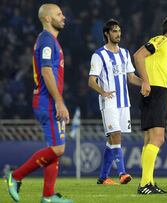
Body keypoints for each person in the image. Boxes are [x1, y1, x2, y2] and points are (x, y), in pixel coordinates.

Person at [5, 3, 73, 203]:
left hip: (50, 100)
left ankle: (49, 196)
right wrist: (60, 102)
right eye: (59, 14)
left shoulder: (50, 41)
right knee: (58, 149)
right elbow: (46, 72)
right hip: (47, 101)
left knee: (55, 148)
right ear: (47, 18)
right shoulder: (46, 41)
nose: (63, 17)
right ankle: (15, 177)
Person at [88, 19, 142, 185]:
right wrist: (103, 92)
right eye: (114, 31)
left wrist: (147, 83)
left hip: (124, 103)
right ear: (107, 33)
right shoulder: (99, 55)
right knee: (116, 135)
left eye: (119, 31)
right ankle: (122, 173)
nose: (118, 34)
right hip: (109, 102)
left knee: (113, 140)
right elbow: (91, 80)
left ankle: (103, 177)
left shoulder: (125, 53)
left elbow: (131, 77)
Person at [133, 17, 167, 194]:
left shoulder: (166, 52)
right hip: (154, 93)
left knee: (149, 139)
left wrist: (166, 96)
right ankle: (145, 184)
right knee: (158, 138)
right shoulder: (161, 40)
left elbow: (157, 73)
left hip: (158, 93)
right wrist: (145, 82)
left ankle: (148, 182)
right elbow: (138, 55)